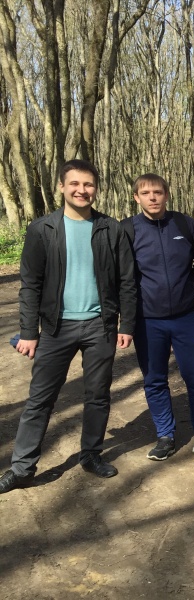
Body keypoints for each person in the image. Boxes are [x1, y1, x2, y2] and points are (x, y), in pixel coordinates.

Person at [0, 159, 137, 494]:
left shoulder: (111, 228)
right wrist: (29, 332)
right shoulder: (42, 229)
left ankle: (91, 454)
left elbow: (127, 282)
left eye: (88, 184)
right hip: (56, 329)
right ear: (61, 186)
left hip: (99, 326)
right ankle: (22, 467)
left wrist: (126, 324)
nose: (82, 190)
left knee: (98, 395)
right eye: (75, 184)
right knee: (39, 399)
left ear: (96, 189)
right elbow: (30, 284)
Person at [122, 174, 194, 463]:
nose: (153, 197)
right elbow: (121, 279)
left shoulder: (185, 224)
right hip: (148, 321)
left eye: (158, 192)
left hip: (187, 317)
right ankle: (165, 436)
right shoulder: (128, 230)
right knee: (155, 380)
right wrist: (123, 321)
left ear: (167, 194)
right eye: (146, 193)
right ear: (136, 197)